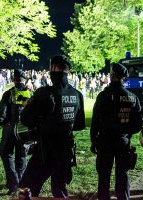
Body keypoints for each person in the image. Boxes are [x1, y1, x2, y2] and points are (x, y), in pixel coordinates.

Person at [19, 55, 85, 198]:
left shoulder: (44, 93)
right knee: (59, 190)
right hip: (65, 150)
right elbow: (79, 125)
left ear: (53, 68)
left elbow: (25, 119)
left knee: (27, 187)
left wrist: (30, 107)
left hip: (46, 150)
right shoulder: (77, 94)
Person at [90, 63, 143, 200]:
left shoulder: (103, 96)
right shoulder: (132, 97)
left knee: (104, 176)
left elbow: (95, 121)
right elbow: (138, 124)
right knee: (122, 174)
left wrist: (93, 140)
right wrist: (127, 133)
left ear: (112, 75)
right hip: (123, 142)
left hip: (105, 141)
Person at [0, 69, 31, 196]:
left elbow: (2, 113)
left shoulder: (9, 93)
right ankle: (21, 182)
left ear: (14, 79)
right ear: (24, 79)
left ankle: (13, 183)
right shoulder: (29, 93)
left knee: (6, 154)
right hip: (24, 130)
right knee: (22, 157)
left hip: (11, 129)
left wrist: (2, 123)